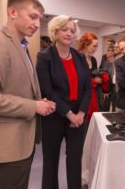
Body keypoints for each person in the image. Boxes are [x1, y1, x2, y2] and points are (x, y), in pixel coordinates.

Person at [0, 0, 56, 189]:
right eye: (32, 16)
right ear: (12, 12)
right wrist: (33, 106)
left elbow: (19, 88)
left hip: (19, 142)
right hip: (7, 146)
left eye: (39, 19)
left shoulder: (21, 46)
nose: (37, 24)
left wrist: (40, 103)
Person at [36, 15, 92, 189]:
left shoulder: (80, 57)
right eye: (64, 29)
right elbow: (48, 91)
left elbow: (88, 89)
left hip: (78, 118)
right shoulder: (45, 57)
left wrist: (81, 114)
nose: (69, 33)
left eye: (72, 30)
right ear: (55, 31)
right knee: (51, 161)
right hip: (54, 115)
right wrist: (69, 114)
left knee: (75, 161)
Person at [78, 32, 110, 123]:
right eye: (94, 46)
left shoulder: (93, 60)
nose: (96, 49)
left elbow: (95, 74)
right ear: (85, 45)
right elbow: (77, 79)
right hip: (81, 96)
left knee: (92, 122)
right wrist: (93, 81)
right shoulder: (78, 58)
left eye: (97, 46)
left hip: (93, 94)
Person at [100, 45, 116, 111]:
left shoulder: (117, 63)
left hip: (114, 88)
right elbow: (101, 74)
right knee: (104, 108)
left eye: (109, 50)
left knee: (114, 108)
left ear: (113, 52)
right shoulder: (105, 63)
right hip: (105, 89)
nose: (107, 52)